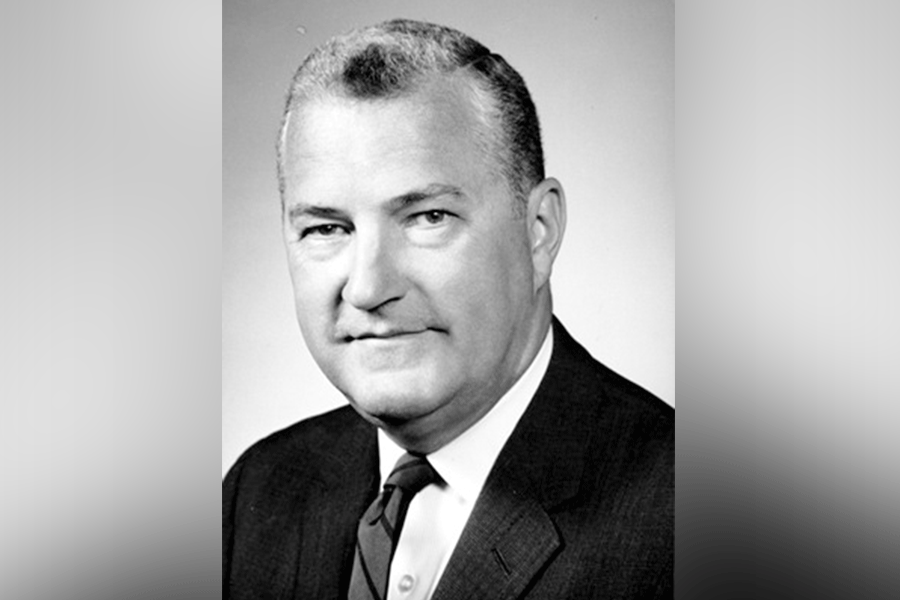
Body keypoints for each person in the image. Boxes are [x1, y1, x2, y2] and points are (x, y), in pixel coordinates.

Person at [223, 18, 673, 600]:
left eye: (427, 217)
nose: (367, 288)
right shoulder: (259, 492)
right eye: (327, 228)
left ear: (539, 232)